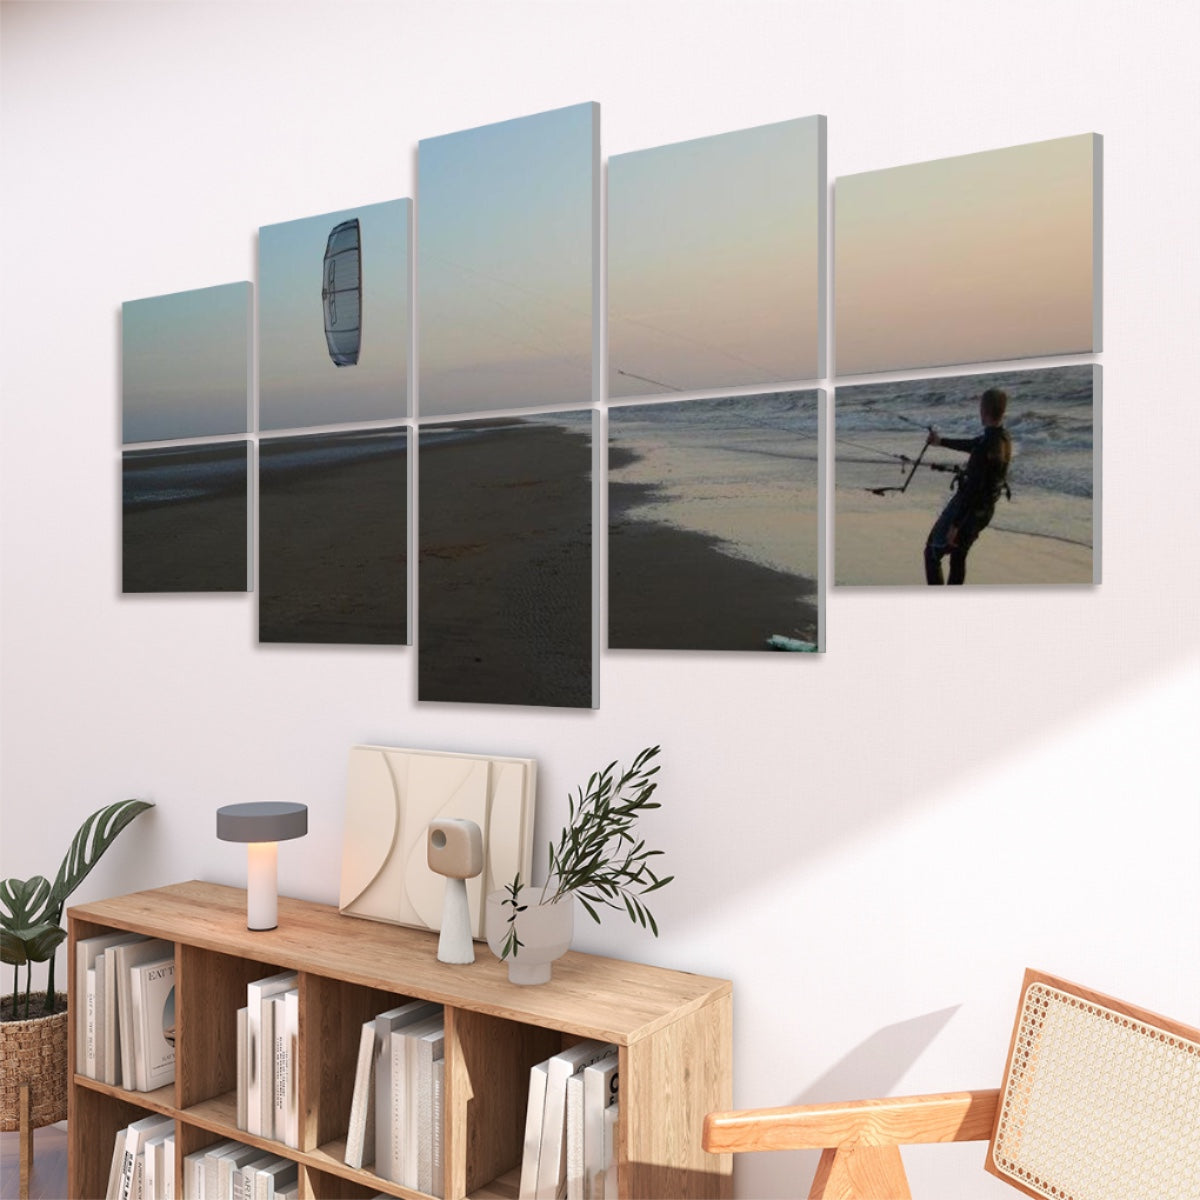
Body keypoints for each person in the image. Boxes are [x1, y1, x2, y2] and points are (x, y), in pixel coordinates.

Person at [923, 387, 1012, 585]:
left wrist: (955, 525)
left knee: (932, 552)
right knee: (958, 555)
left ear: (983, 411)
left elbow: (972, 491)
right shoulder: (1003, 437)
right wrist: (941, 442)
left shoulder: (984, 448)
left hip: (969, 512)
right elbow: (973, 444)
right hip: (986, 511)